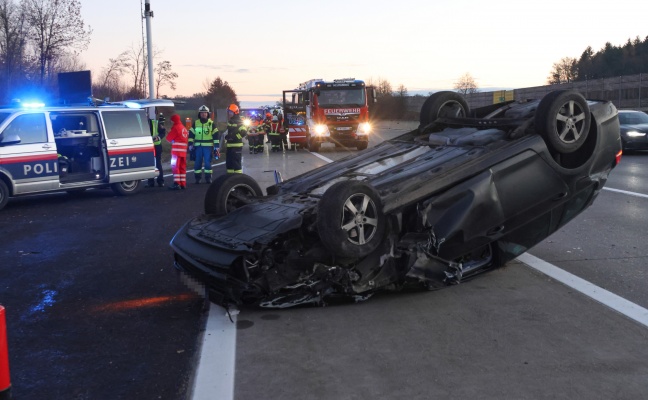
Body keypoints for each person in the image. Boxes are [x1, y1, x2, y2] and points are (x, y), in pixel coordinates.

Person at [188, 105, 219, 184]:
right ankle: (197, 178)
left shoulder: (211, 123)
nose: (203, 114)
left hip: (208, 147)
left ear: (207, 114)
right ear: (199, 114)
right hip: (197, 147)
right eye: (202, 113)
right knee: (197, 163)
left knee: (207, 163)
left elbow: (216, 135)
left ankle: (208, 178)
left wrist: (216, 147)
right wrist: (190, 144)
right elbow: (191, 134)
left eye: (205, 113)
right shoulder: (196, 123)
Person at [166, 114, 189, 190]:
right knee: (182, 167)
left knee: (175, 167)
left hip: (176, 152)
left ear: (174, 121)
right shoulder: (183, 128)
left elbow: (168, 139)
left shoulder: (176, 128)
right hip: (183, 152)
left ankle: (177, 183)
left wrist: (169, 132)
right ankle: (183, 183)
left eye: (171, 121)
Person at [225, 104, 247, 173]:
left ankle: (238, 178)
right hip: (229, 146)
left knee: (236, 163)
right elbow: (229, 131)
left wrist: (234, 137)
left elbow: (243, 132)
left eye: (230, 112)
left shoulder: (239, 122)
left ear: (235, 113)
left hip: (237, 146)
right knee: (229, 163)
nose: (229, 114)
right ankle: (230, 178)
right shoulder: (230, 122)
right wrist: (228, 136)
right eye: (228, 112)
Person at [146, 113, 167, 187]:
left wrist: (159, 137)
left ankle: (160, 181)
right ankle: (150, 182)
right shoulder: (142, 122)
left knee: (158, 163)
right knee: (149, 163)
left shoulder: (155, 122)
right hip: (147, 146)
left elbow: (163, 132)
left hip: (156, 145)